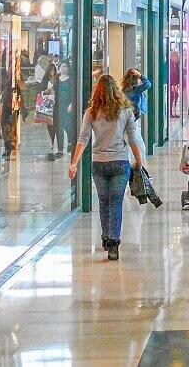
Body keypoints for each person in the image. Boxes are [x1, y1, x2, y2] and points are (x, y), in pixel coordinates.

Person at [68, 75, 145, 261]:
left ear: (98, 91)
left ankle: (106, 236)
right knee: (115, 201)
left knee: (104, 201)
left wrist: (74, 163)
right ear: (116, 91)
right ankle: (113, 242)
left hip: (99, 163)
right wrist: (139, 160)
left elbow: (83, 139)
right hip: (120, 163)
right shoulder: (126, 111)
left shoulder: (91, 112)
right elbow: (133, 139)